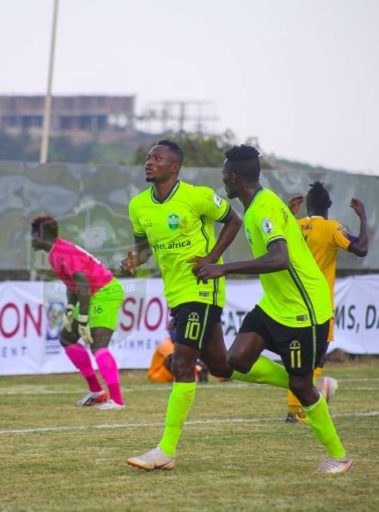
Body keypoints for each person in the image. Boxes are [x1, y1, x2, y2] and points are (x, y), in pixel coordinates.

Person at [196, 144, 353, 474]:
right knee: (234, 362)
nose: (222, 179)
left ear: (233, 177)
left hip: (303, 310)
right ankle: (312, 384)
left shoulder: (264, 207)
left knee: (300, 387)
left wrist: (224, 268)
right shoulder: (257, 205)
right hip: (275, 305)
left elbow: (280, 258)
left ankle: (338, 456)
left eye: (224, 174)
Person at [121, 139, 244, 471]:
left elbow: (235, 221)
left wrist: (212, 258)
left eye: (157, 158)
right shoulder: (138, 206)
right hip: (176, 293)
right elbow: (143, 249)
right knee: (222, 366)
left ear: (174, 167)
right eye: (148, 157)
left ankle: (166, 450)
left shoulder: (197, 196)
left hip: (202, 288)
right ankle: (300, 382)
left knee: (181, 362)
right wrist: (133, 261)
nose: (149, 162)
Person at [283, 182, 369, 423]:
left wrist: (288, 214)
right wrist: (363, 217)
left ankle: (293, 410)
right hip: (319, 305)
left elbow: (276, 238)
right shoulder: (331, 228)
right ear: (328, 206)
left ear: (307, 206)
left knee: (296, 357)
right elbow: (361, 248)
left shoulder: (295, 226)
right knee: (317, 359)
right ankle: (301, 410)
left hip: (293, 301)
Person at [31, 215, 126, 410]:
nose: (31, 239)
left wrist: (82, 318)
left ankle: (117, 401)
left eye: (33, 234)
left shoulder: (61, 251)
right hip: (91, 293)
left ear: (41, 235)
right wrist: (69, 309)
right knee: (67, 338)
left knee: (98, 345)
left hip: (105, 292)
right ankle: (97, 392)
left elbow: (82, 281)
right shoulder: (55, 252)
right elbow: (73, 283)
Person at [147, 319, 209, 384]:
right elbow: (177, 357)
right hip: (156, 376)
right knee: (174, 359)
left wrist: (201, 367)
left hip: (171, 376)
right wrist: (198, 367)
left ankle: (196, 378)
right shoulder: (166, 343)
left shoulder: (182, 345)